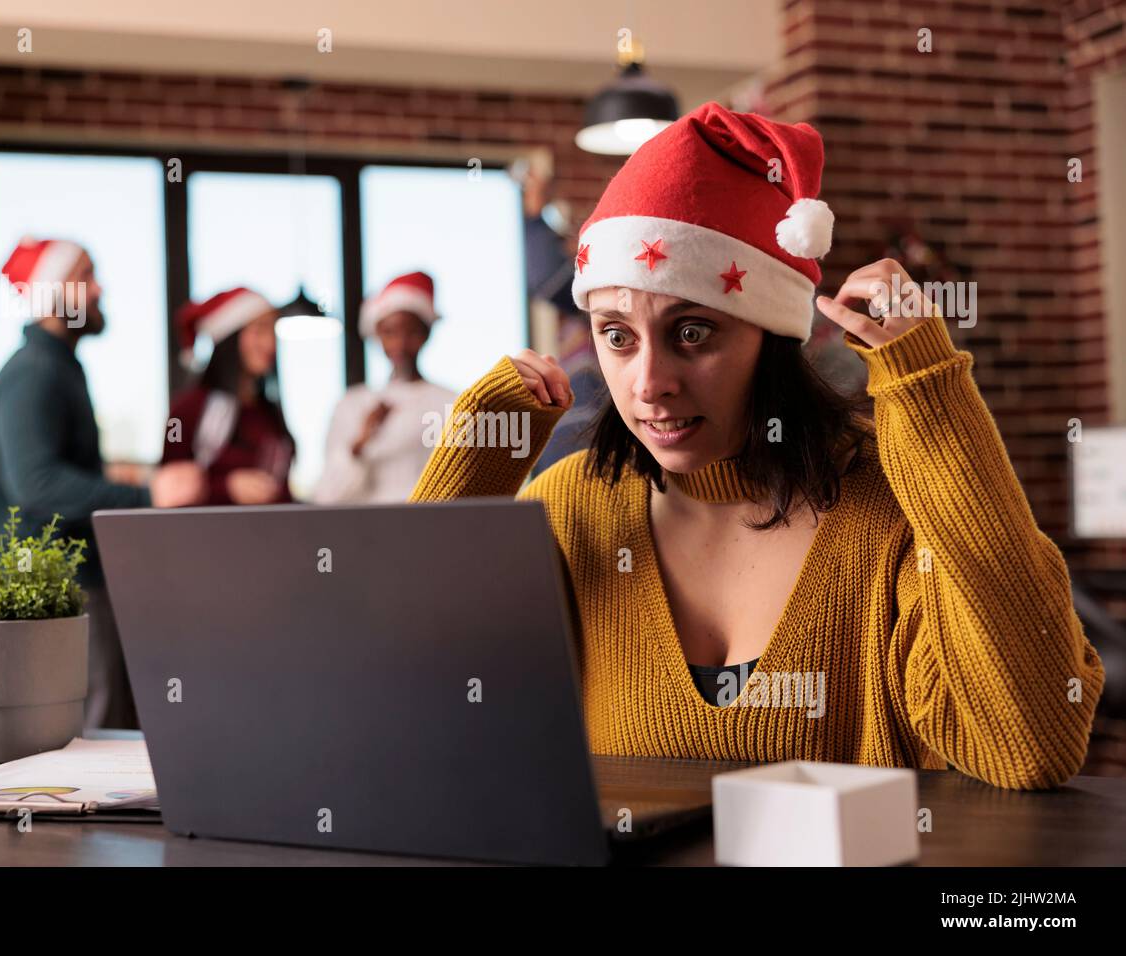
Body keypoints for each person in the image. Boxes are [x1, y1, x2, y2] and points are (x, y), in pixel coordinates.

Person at [408, 103, 1105, 790]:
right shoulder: (569, 508)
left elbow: (1033, 745)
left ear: (771, 337)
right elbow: (413, 719)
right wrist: (473, 468)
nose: (649, 383)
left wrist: (934, 402)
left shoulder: (891, 509)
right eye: (616, 335)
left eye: (692, 332)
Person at [0, 237, 207, 730]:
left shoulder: (58, 368)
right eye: (85, 276)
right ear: (53, 293)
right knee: (88, 736)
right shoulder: (35, 373)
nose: (99, 288)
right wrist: (149, 494)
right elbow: (36, 484)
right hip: (58, 586)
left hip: (67, 582)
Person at [311, 272, 456, 503]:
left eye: (411, 331)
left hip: (430, 529)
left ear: (425, 334)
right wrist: (361, 440)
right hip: (366, 532)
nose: (400, 343)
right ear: (377, 333)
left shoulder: (451, 404)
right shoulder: (352, 404)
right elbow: (326, 496)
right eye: (390, 332)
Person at [163, 288, 295, 504]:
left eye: (273, 331)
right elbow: (168, 484)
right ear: (230, 336)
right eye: (259, 330)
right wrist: (226, 487)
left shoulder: (269, 414)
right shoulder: (182, 414)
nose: (270, 343)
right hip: (207, 534)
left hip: (269, 533)